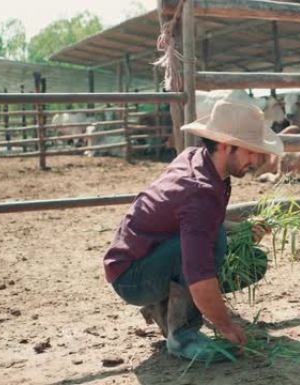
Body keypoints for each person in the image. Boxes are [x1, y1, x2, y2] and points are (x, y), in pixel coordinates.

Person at [103, 100, 284, 362]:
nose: (256, 160)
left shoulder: (198, 159)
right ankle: (182, 336)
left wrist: (240, 228)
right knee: (210, 246)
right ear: (224, 145)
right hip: (132, 278)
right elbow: (199, 276)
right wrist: (226, 325)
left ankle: (162, 306)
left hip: (144, 259)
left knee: (234, 250)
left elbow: (197, 223)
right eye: (249, 151)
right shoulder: (199, 192)